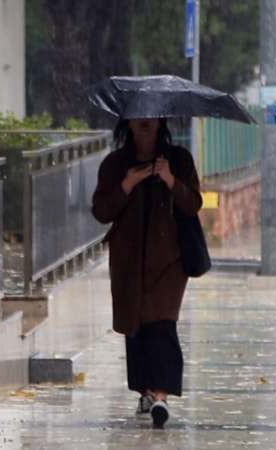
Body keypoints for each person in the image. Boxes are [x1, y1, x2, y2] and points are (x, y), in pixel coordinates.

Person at [91, 117, 202, 429]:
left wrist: (169, 179)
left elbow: (193, 203)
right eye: (138, 115)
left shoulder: (179, 159)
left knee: (162, 324)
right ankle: (148, 391)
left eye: (150, 116)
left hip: (169, 262)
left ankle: (162, 397)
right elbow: (101, 211)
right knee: (136, 325)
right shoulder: (115, 164)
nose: (144, 121)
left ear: (160, 121)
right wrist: (127, 183)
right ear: (127, 121)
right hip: (128, 261)